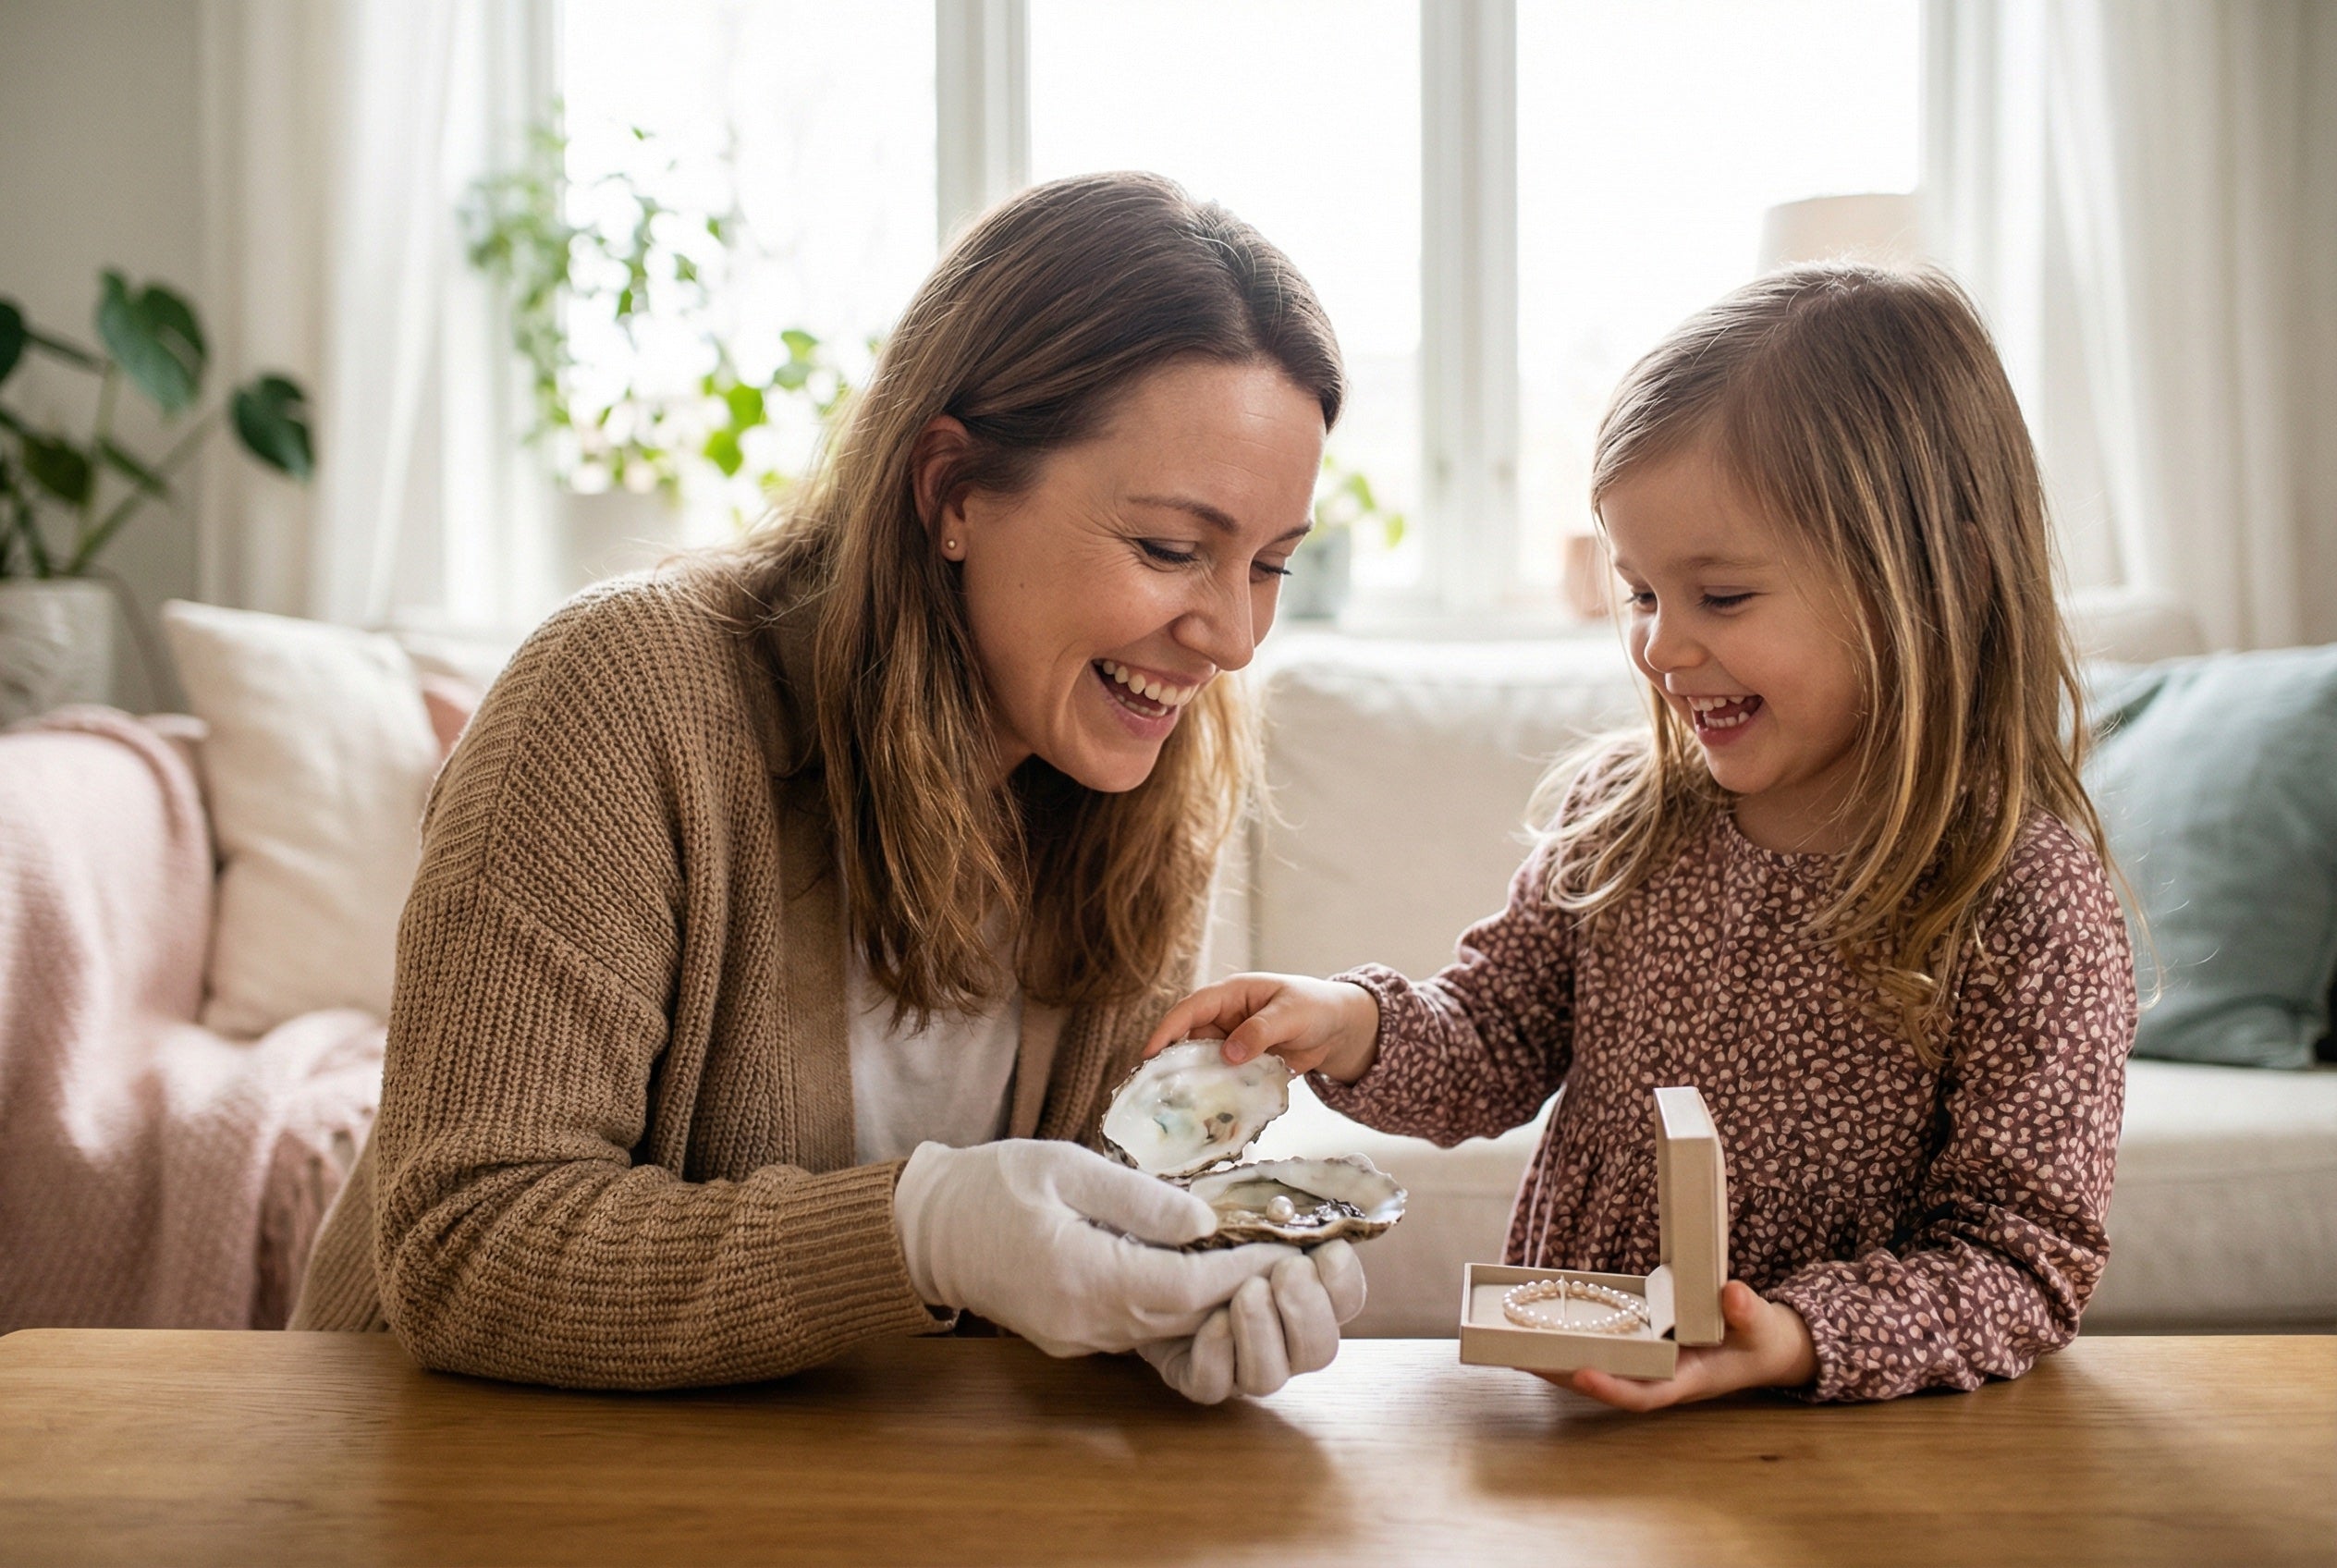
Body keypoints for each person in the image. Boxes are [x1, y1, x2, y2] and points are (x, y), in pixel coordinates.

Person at [292, 172, 1365, 1403]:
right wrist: (919, 1232)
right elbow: (464, 1246)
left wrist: (1185, 1278)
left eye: (1272, 564)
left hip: (849, 1487)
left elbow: (1074, 1218)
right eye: (1173, 551)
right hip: (458, 1472)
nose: (1232, 636)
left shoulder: (1139, 772)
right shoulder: (621, 698)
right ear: (952, 492)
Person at [1147, 265, 2139, 1408]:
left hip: (1852, 1442)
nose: (1660, 650)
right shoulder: (1626, 819)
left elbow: (2020, 1258)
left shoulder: (2020, 898)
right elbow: (1485, 1040)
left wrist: (1798, 1337)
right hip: (1580, 1410)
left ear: (1934, 577)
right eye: (1639, 594)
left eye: (1719, 598)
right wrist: (1348, 1022)